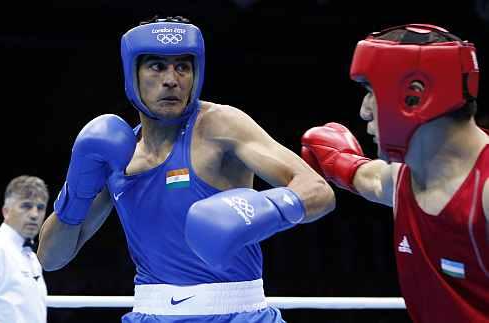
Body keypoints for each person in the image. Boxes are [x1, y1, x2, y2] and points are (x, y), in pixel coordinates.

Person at [37, 15, 335, 322]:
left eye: (183, 66)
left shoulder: (218, 125)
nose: (172, 79)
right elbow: (50, 258)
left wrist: (264, 208)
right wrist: (76, 192)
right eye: (157, 66)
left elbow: (317, 190)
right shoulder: (115, 153)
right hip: (151, 313)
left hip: (237, 313)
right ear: (132, 74)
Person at [301, 24, 489, 322]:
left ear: (415, 96)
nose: (364, 111)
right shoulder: (404, 176)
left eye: (371, 92)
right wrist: (337, 160)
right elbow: (372, 180)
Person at [0, 175, 49, 323]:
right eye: (26, 206)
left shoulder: (31, 258)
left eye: (40, 208)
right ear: (6, 211)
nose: (35, 214)